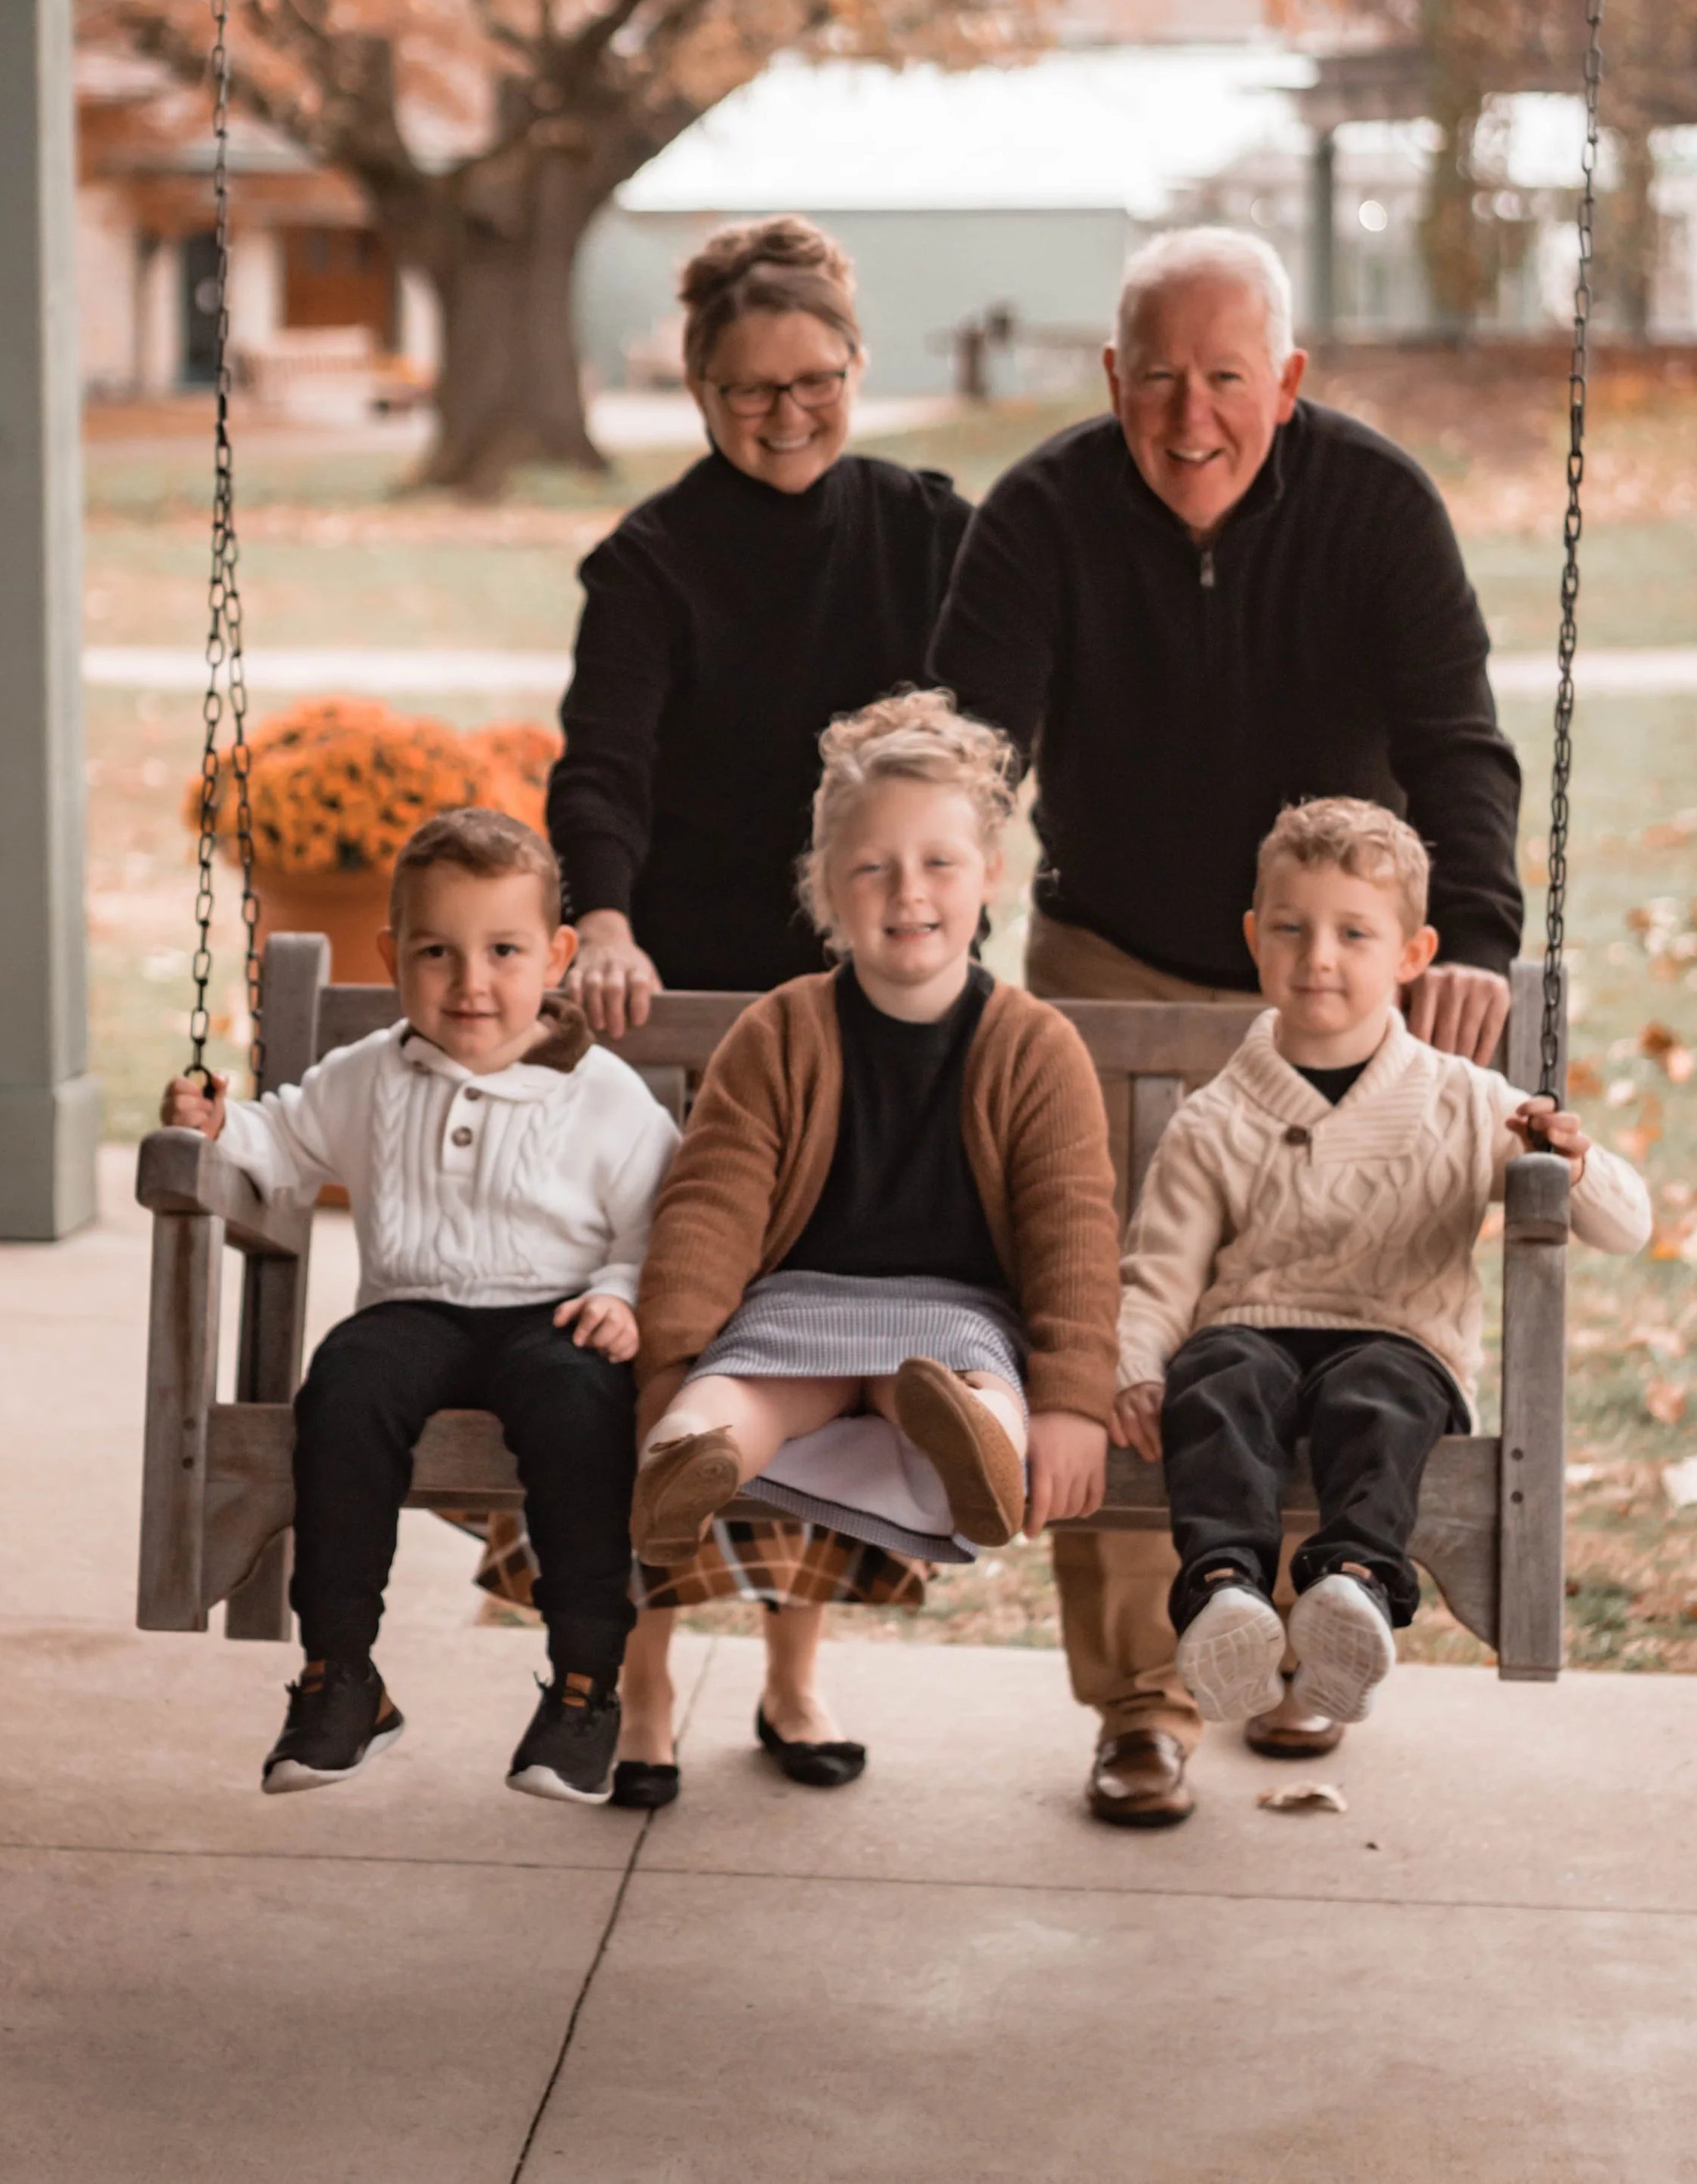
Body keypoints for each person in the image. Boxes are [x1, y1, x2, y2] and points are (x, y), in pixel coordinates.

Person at [930, 224, 1527, 1825]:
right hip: (1108, 959)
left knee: (1304, 1321)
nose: (1189, 416)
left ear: (1287, 380)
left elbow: (1455, 739)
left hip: (1331, 988)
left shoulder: (1375, 506)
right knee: (1116, 1329)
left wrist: (1465, 937)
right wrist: (937, 919)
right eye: (1158, 380)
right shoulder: (1042, 513)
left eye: (1225, 379)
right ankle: (1142, 1697)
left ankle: (1284, 1661)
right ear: (1109, 375)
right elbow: (968, 749)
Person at [534, 216, 973, 1805]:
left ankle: (794, 1674)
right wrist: (601, 914)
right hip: (693, 996)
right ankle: (641, 1688)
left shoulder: (931, 530)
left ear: (855, 368)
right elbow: (604, 765)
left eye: (814, 383)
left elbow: (993, 749)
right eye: (744, 391)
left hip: (873, 995)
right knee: (686, 1331)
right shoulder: (648, 561)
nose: (783, 413)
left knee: (833, 1328)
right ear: (696, 384)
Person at [159, 808, 678, 1809]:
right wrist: (220, 1126)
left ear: (559, 955)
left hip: (555, 1317)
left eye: (503, 950)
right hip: (413, 1312)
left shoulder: (604, 1095)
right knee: (346, 1388)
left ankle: (583, 1686)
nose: (471, 982)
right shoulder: (370, 1074)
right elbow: (281, 1144)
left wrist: (621, 1296)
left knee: (581, 1412)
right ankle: (341, 1677)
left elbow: (663, 1223)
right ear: (395, 955)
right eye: (437, 952)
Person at [1112, 798, 1648, 1730]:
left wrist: (1572, 1163)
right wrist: (1132, 1369)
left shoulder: (1467, 1102)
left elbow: (1627, 1228)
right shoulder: (1214, 1119)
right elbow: (1161, 1274)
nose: (1318, 955)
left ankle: (1352, 1586)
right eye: (1290, 928)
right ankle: (1226, 1593)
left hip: (1398, 1339)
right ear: (1254, 938)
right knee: (1219, 1375)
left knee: (1377, 1392)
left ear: (1409, 953)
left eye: (1353, 933)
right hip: (1254, 1330)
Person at [631, 695, 1119, 1673]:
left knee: (960, 1381)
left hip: (953, 1318)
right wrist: (669, 1369)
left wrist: (1071, 1402)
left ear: (992, 874)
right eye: (872, 866)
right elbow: (711, 1207)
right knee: (751, 1381)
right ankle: (694, 1448)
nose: (909, 891)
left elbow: (1073, 1232)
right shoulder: (780, 1031)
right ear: (825, 889)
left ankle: (979, 1445)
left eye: (939, 862)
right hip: (799, 1309)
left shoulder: (1035, 1045)